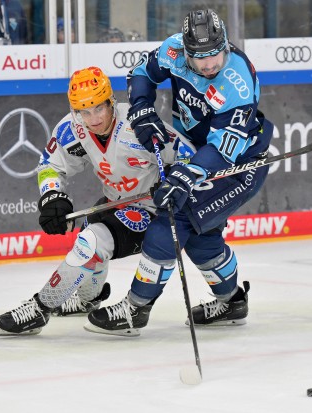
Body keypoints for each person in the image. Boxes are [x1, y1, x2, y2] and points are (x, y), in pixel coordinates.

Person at [84, 9, 274, 336]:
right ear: (187, 51)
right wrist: (142, 106)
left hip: (236, 166)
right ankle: (231, 302)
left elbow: (220, 151)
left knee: (174, 217)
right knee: (201, 240)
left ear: (225, 45)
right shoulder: (174, 50)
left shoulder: (238, 84)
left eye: (216, 54)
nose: (210, 64)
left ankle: (135, 308)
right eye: (201, 58)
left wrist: (186, 176)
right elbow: (141, 71)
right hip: (194, 152)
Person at [0, 66, 195, 336]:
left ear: (111, 101)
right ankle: (89, 299)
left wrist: (174, 177)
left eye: (99, 108)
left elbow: (188, 154)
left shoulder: (139, 125)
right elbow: (50, 165)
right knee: (92, 233)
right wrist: (52, 195)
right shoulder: (72, 128)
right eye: (84, 112)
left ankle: (41, 309)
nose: (93, 118)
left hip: (151, 210)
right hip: (114, 202)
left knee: (93, 241)